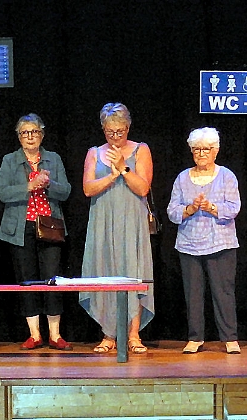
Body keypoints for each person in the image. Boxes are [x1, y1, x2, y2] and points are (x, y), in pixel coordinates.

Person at [79, 102, 154, 354]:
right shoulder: (94, 153)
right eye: (110, 132)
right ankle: (108, 334)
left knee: (132, 270)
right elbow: (88, 189)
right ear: (103, 129)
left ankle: (133, 334)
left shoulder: (141, 150)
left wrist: (122, 167)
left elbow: (143, 188)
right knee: (105, 270)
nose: (115, 136)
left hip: (131, 220)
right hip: (103, 220)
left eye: (120, 131)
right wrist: (111, 176)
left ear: (128, 127)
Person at [0, 113, 72, 350]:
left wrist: (49, 184)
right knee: (27, 281)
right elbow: (2, 193)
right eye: (25, 133)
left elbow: (67, 191)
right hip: (20, 228)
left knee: (52, 280)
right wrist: (28, 186)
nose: (30, 137)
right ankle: (34, 334)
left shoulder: (53, 159)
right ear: (19, 137)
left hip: (50, 226)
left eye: (35, 132)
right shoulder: (10, 160)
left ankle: (55, 334)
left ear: (42, 134)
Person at [167, 127, 241, 355]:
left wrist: (212, 208)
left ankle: (229, 339)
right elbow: (172, 210)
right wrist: (189, 209)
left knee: (223, 292)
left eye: (206, 149)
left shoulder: (226, 176)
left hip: (221, 243)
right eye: (196, 149)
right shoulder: (182, 178)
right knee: (193, 293)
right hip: (189, 244)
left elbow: (234, 207)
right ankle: (195, 338)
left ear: (215, 151)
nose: (201, 154)